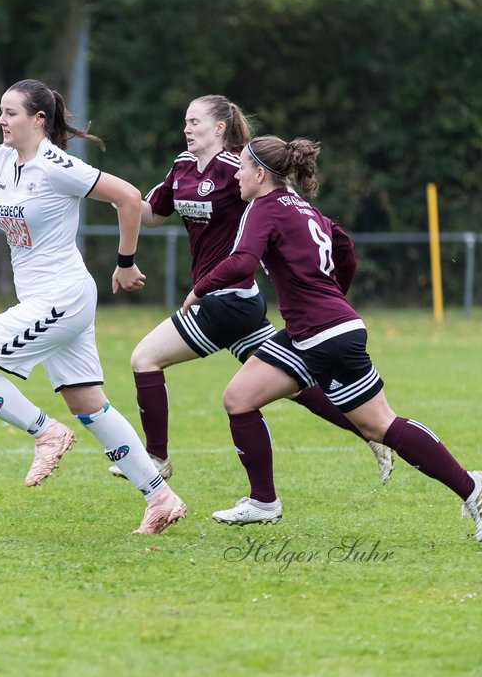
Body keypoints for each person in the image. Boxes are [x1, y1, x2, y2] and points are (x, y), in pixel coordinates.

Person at [190, 134, 482, 540]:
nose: (237, 176)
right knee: (239, 399)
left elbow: (243, 262)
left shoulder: (262, 208)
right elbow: (345, 247)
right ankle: (263, 502)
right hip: (322, 329)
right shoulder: (303, 207)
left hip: (322, 333)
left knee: (381, 425)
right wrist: (334, 298)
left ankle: (470, 487)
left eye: (242, 167)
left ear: (261, 174)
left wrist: (199, 289)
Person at [0, 78, 187, 535]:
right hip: (45, 298)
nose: (0, 120)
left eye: (10, 113)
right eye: (0, 111)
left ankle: (45, 432)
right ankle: (161, 498)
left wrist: (126, 263)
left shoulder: (57, 166)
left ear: (38, 120)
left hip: (62, 297)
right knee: (89, 404)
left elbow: (129, 197)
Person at [109, 95, 393, 485]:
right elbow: (152, 215)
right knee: (292, 383)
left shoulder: (237, 168)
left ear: (220, 128)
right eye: (185, 122)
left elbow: (280, 200)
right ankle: (372, 432)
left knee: (145, 358)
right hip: (238, 302)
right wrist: (113, 194)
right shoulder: (182, 167)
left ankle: (156, 458)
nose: (187, 129)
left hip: (226, 299)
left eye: (195, 122)